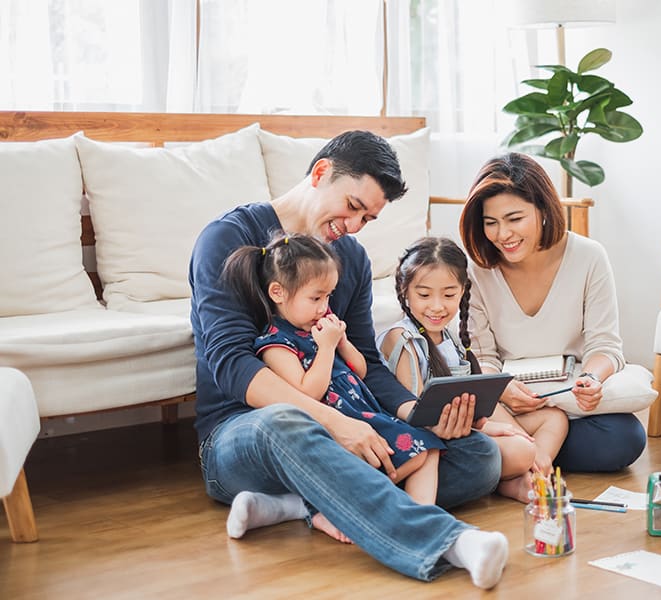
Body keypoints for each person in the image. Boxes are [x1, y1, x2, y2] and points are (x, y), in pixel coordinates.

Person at [189, 130, 507, 588]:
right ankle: (452, 543)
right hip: (243, 435)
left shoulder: (350, 259)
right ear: (321, 173)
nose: (355, 225)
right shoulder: (226, 238)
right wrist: (335, 423)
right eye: (353, 206)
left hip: (341, 419)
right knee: (286, 423)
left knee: (478, 456)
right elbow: (232, 364)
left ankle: (300, 504)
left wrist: (417, 416)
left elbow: (369, 365)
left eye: (368, 218)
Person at [222, 233, 445, 540]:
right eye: (316, 298)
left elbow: (360, 370)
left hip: (364, 415)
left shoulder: (322, 327)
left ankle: (422, 517)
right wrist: (325, 348)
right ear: (278, 292)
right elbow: (307, 392)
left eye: (328, 297)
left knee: (427, 449)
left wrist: (342, 341)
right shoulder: (276, 343)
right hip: (329, 428)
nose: (324, 307)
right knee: (412, 453)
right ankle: (331, 507)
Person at [458, 152, 647, 473]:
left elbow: (605, 347)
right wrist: (501, 388)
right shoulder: (476, 271)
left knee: (624, 438)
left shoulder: (589, 257)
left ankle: (519, 455)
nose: (502, 235)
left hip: (568, 398)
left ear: (543, 210)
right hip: (511, 404)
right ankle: (529, 450)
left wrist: (591, 378)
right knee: (472, 420)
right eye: (491, 223)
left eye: (514, 219)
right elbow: (481, 357)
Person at [377, 237, 568, 502]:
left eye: (448, 294)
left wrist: (493, 426)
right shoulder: (401, 338)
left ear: (462, 291)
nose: (436, 306)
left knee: (554, 419)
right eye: (423, 295)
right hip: (434, 438)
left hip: (466, 427)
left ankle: (532, 473)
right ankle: (520, 473)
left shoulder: (451, 339)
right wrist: (489, 430)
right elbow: (418, 417)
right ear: (405, 290)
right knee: (520, 450)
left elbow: (473, 402)